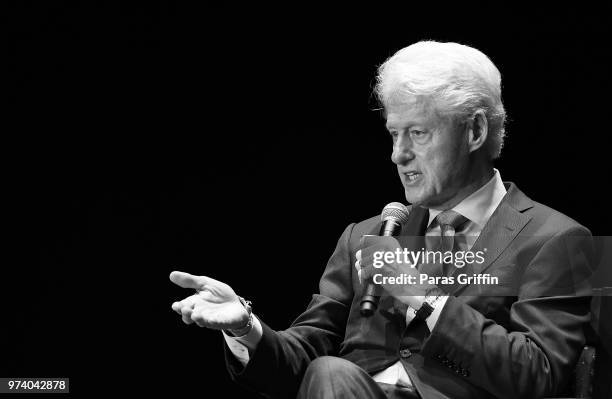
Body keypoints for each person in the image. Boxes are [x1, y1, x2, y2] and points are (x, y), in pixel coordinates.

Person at [169, 41, 594, 399]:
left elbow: (539, 375)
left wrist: (421, 297)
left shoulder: (564, 240)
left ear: (475, 132)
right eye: (394, 133)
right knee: (329, 374)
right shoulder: (364, 235)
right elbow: (303, 359)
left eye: (419, 133)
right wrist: (246, 328)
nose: (398, 154)